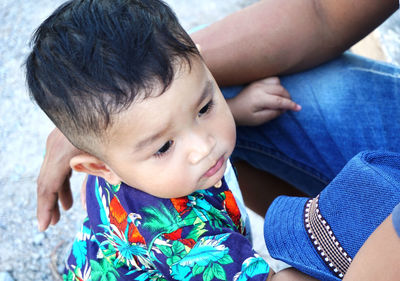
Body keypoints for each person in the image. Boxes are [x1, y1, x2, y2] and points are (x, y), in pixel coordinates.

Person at [25, 0, 306, 280]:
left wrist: (237, 109)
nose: (204, 147)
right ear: (100, 168)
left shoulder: (122, 152)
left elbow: (172, 119)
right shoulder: (176, 236)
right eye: (164, 147)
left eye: (204, 108)